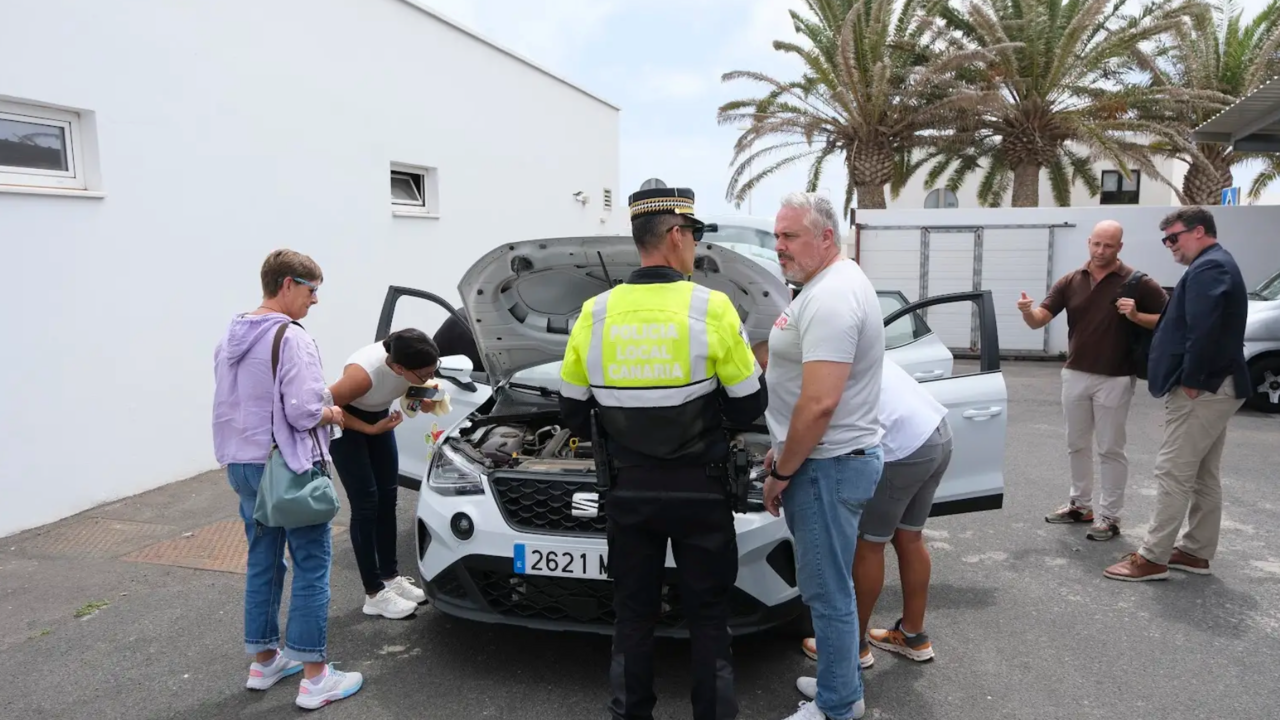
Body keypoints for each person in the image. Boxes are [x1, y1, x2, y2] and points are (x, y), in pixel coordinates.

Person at [557, 179, 767, 720]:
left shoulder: (594, 313)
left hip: (629, 493)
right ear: (675, 235)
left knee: (632, 617)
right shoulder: (713, 307)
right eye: (694, 234)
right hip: (702, 492)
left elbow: (574, 413)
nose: (695, 245)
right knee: (708, 619)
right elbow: (748, 406)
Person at [212, 249, 364, 709]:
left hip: (243, 463)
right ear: (287, 285)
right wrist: (333, 411)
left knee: (264, 559)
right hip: (288, 464)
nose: (315, 300)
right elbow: (301, 412)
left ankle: (264, 660)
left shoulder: (232, 334)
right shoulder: (291, 337)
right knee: (312, 563)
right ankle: (316, 677)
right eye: (312, 289)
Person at [760, 191, 885, 720]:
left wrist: (783, 469)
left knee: (826, 590)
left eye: (790, 236)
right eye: (778, 235)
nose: (779, 246)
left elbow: (819, 402)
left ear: (826, 237)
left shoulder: (833, 295)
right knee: (830, 583)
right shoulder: (824, 285)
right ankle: (839, 680)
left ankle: (839, 705)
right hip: (826, 461)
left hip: (825, 465)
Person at [1104, 206, 1250, 582]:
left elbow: (1203, 329)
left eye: (1174, 237)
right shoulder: (1212, 264)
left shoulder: (1210, 267)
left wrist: (1193, 379)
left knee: (1173, 471)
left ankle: (1153, 557)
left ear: (1198, 231)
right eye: (1165, 239)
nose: (1169, 245)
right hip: (1216, 385)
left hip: (1204, 388)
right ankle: (1195, 552)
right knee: (1203, 473)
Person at [1016, 220, 1167, 541]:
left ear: (1120, 247)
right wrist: (1027, 311)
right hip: (1075, 373)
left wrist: (1137, 316)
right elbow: (1039, 320)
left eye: (1108, 245)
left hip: (1116, 377)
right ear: (1088, 242)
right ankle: (1080, 506)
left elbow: (1172, 321)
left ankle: (1110, 517)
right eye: (1096, 244)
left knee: (1111, 448)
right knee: (1076, 443)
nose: (1100, 251)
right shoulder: (1071, 280)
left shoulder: (1138, 282)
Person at [798, 358, 952, 671]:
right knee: (909, 538)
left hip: (902, 452)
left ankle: (852, 645)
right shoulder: (853, 341)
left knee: (868, 545)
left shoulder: (816, 362)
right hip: (938, 432)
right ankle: (913, 635)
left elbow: (819, 416)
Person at [327, 329, 440, 619]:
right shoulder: (363, 375)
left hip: (377, 417)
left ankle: (390, 578)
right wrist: (368, 429)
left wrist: (422, 399)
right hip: (346, 423)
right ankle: (374, 594)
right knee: (366, 505)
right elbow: (326, 406)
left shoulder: (408, 356)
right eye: (425, 374)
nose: (430, 378)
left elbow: (406, 391)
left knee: (388, 498)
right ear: (399, 367)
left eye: (433, 371)